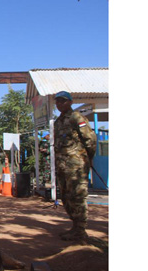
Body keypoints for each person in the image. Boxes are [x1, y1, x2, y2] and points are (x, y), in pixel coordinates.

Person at [53, 91, 97, 242]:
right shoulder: (58, 122)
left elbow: (90, 139)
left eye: (63, 101)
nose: (60, 104)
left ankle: (80, 230)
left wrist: (89, 158)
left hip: (76, 166)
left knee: (77, 196)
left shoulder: (76, 117)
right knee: (66, 196)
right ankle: (75, 226)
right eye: (58, 102)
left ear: (70, 102)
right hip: (62, 166)